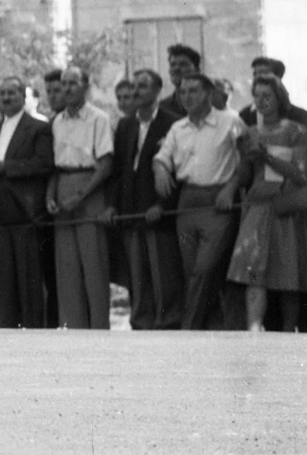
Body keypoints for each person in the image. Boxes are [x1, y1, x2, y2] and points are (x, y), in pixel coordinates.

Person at [154, 72, 244, 331]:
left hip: (217, 204)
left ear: (207, 93)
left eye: (193, 91)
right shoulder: (178, 128)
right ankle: (214, 327)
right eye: (183, 91)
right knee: (191, 269)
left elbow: (246, 163)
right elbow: (162, 157)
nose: (187, 97)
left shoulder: (230, 121)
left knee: (204, 269)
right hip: (187, 203)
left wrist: (230, 188)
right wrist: (160, 168)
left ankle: (188, 328)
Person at [0, 76, 55, 329]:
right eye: (2, 94)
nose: (6, 98)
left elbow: (43, 164)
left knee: (29, 281)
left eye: (12, 93)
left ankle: (32, 335)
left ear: (23, 97)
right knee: (4, 282)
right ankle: (5, 333)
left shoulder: (38, 127)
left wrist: (4, 167)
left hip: (24, 214)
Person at [227, 72, 307, 332]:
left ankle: (288, 330)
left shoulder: (295, 130)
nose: (262, 101)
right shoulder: (250, 132)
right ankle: (254, 328)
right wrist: (246, 159)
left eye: (267, 96)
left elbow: (300, 174)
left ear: (279, 97)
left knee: (287, 272)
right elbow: (245, 175)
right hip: (258, 206)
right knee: (253, 270)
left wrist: (269, 157)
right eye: (257, 96)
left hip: (285, 205)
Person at [109, 69, 182, 330]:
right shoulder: (126, 124)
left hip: (158, 210)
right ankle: (140, 324)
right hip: (131, 210)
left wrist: (163, 205)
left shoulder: (173, 122)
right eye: (135, 86)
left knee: (163, 272)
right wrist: (112, 205)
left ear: (157, 90)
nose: (137, 91)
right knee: (137, 274)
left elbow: (178, 171)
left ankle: (168, 323)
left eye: (143, 86)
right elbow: (118, 170)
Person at [47, 66, 115, 330]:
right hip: (63, 186)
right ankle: (72, 327)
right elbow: (55, 165)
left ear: (85, 86)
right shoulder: (57, 122)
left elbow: (106, 164)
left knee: (93, 264)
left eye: (72, 84)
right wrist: (51, 196)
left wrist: (81, 195)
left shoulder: (99, 119)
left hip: (90, 187)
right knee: (67, 267)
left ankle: (98, 329)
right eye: (63, 84)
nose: (67, 89)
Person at [160, 44, 202, 120]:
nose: (176, 69)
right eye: (172, 65)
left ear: (197, 70)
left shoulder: (207, 105)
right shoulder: (162, 108)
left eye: (183, 65)